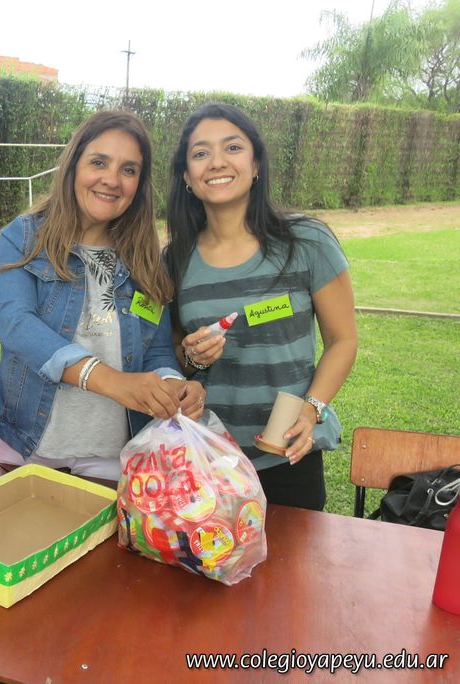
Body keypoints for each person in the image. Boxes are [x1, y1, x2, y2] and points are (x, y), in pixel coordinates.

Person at [0, 110, 206, 483]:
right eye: (99, 163)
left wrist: (173, 385)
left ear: (139, 184)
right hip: (26, 448)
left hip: (112, 457)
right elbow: (18, 326)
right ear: (74, 166)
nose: (112, 180)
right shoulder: (22, 238)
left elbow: (156, 351)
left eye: (128, 170)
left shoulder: (144, 260)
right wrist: (112, 381)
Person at [164, 102, 358, 511]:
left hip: (288, 457)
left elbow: (343, 340)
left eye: (233, 147)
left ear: (255, 165)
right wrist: (192, 358)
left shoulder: (307, 241)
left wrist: (312, 410)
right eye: (201, 153)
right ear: (187, 176)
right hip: (207, 460)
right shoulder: (175, 260)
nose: (217, 162)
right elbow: (175, 356)